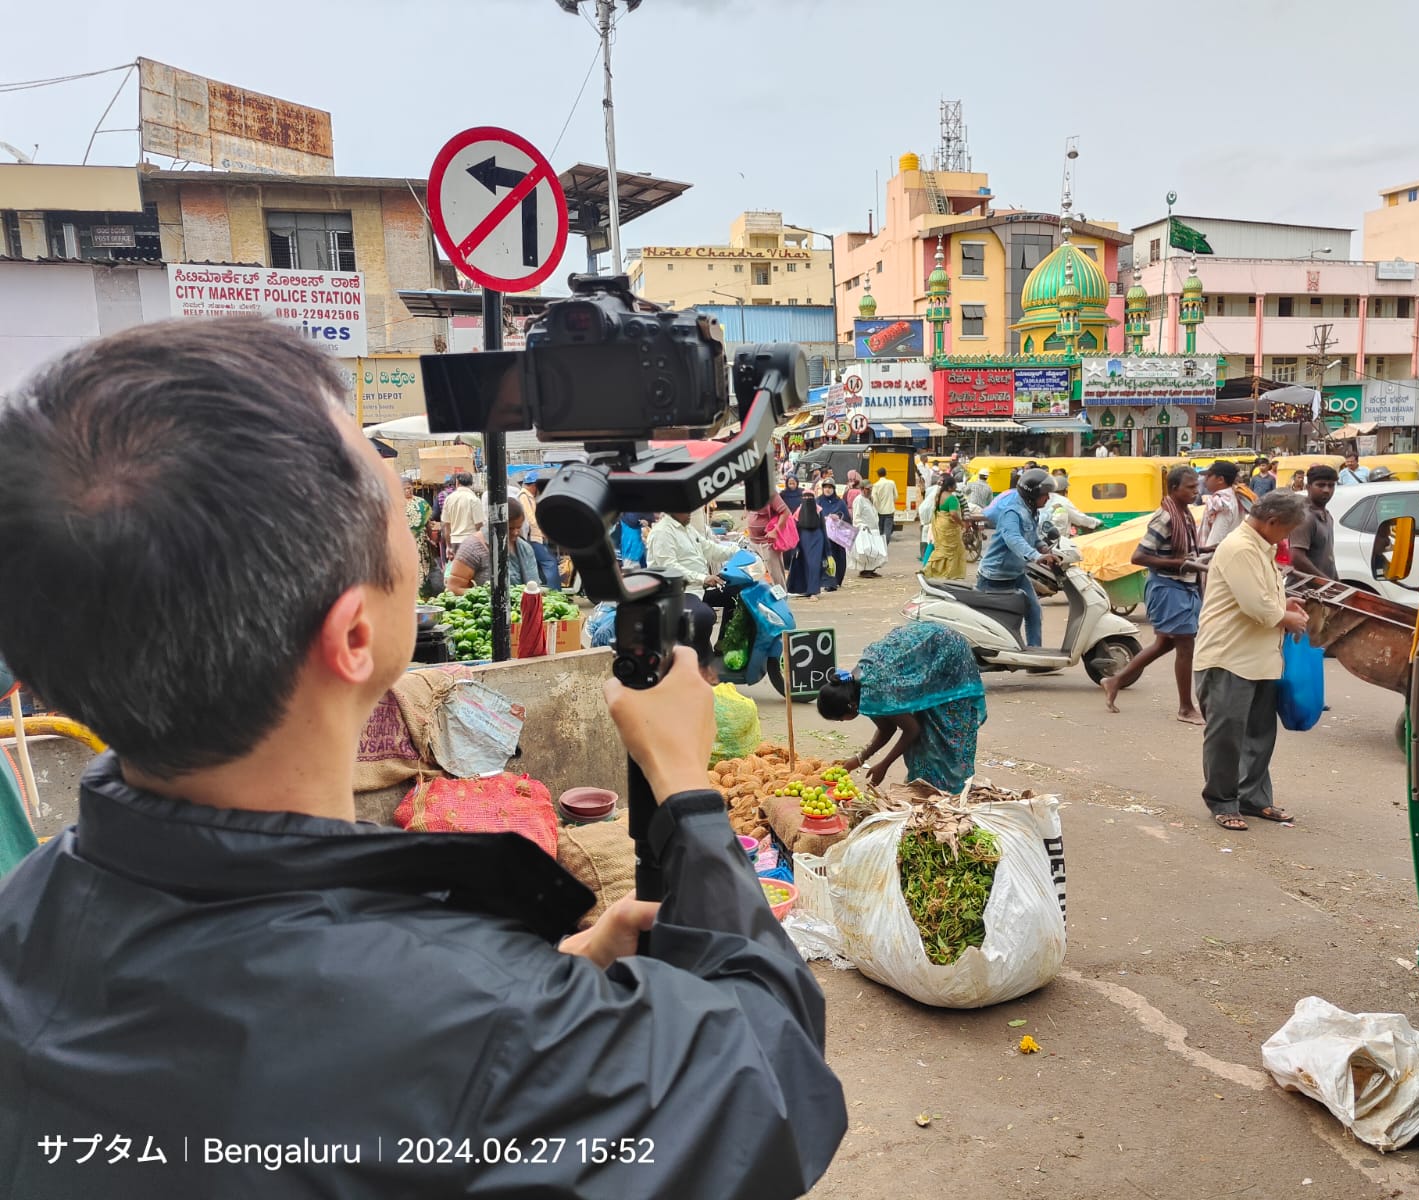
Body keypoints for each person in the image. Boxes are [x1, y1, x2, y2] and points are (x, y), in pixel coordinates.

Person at [0, 317, 845, 1198]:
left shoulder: (31, 909)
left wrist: (550, 981)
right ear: (355, 633)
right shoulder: (487, 1031)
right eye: (393, 496)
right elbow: (769, 1080)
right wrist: (686, 792)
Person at [1194, 490, 1311, 831]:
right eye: (1286, 530)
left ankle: (1254, 798)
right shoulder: (1240, 548)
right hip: (1228, 658)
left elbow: (1265, 598)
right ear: (1272, 521)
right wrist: (1287, 619)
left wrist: (1285, 604)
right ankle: (1223, 801)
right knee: (1226, 736)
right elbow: (1258, 608)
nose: (1287, 537)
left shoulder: (1262, 548)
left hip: (1259, 659)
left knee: (1259, 734)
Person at [818, 624, 987, 792]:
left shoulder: (876, 687)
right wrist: (859, 759)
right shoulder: (856, 688)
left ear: (851, 706)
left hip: (947, 652)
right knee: (921, 743)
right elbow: (887, 728)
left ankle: (952, 791)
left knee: (941, 735)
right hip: (923, 656)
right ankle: (926, 786)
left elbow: (912, 730)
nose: (842, 722)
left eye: (840, 718)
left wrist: (884, 765)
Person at [1101, 465, 1206, 724]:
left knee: (1166, 643)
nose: (1196, 491)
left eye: (1196, 487)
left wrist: (1207, 550)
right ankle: (1185, 708)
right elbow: (1139, 557)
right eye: (1190, 487)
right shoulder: (1166, 518)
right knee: (1185, 644)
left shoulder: (1184, 514)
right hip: (1169, 587)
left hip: (1182, 586)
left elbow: (1184, 550)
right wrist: (1181, 563)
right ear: (1173, 489)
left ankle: (1115, 680)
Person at [976, 468, 1061, 649]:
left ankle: (1035, 655)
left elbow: (1032, 536)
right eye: (1044, 495)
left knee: (1034, 610)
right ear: (1033, 494)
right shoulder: (1012, 513)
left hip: (1016, 574)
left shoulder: (1031, 511)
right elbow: (1013, 538)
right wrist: (1037, 556)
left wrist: (1043, 548)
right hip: (995, 576)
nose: (1047, 498)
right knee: (995, 621)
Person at [648, 508, 738, 643]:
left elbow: (710, 549)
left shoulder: (688, 529)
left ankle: (723, 644)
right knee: (704, 616)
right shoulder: (663, 532)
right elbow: (670, 568)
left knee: (738, 594)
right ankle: (699, 656)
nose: (689, 511)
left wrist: (736, 551)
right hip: (680, 591)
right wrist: (703, 578)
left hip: (700, 587)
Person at [446, 495, 545, 595]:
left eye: (518, 527)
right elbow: (454, 587)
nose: (515, 532)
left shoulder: (525, 548)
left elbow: (535, 587)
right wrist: (491, 597)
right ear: (495, 525)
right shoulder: (473, 548)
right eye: (510, 528)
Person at [1289, 464, 1339, 579]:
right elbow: (1297, 558)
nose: (1327, 490)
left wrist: (1336, 583)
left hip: (1323, 590)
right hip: (1305, 591)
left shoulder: (1327, 516)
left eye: (1331, 485)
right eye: (1321, 485)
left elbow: (1328, 559)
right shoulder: (1304, 517)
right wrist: (1325, 582)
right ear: (1308, 487)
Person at [923, 473, 968, 581]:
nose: (956, 487)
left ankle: (933, 570)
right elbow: (953, 514)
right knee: (955, 550)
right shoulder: (952, 499)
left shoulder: (939, 494)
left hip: (940, 524)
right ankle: (949, 573)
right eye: (954, 486)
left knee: (941, 549)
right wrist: (961, 524)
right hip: (949, 526)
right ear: (949, 487)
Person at [746, 490, 795, 584]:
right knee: (756, 576)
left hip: (767, 543)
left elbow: (785, 512)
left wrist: (775, 531)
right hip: (753, 543)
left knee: (776, 577)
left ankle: (781, 598)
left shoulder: (770, 493)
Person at [787, 487, 827, 600]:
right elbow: (795, 529)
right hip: (803, 540)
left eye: (810, 497)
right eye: (805, 497)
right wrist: (795, 545)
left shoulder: (818, 510)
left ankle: (814, 591)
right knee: (805, 564)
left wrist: (827, 549)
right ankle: (806, 589)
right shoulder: (798, 511)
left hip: (817, 539)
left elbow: (823, 528)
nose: (807, 499)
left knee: (814, 565)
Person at [401, 474, 436, 595]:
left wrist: (431, 538)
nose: (407, 490)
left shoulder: (422, 503)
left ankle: (422, 593)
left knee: (422, 567)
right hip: (402, 543)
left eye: (409, 487)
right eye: (404, 488)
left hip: (420, 543)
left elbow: (427, 524)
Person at [1198, 460, 1245, 548]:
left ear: (1220, 480)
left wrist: (1204, 557)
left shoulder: (1222, 503)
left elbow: (1215, 540)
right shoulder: (1234, 496)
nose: (1205, 480)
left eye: (1208, 476)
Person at [815, 480, 851, 592]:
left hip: (837, 538)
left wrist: (838, 518)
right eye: (825, 487)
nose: (828, 489)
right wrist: (823, 518)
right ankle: (828, 582)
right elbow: (813, 516)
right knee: (825, 559)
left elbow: (847, 519)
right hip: (824, 536)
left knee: (838, 558)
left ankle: (836, 580)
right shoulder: (818, 501)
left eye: (830, 487)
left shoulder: (840, 502)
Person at [439, 471, 482, 558]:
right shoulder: (474, 499)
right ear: (471, 483)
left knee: (458, 570)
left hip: (455, 541)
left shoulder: (449, 499)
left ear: (457, 482)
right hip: (471, 542)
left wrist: (448, 546)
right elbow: (479, 525)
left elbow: (446, 525)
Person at [848, 482, 888, 577]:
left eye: (871, 488)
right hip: (865, 530)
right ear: (862, 489)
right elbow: (856, 517)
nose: (870, 490)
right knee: (866, 552)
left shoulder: (870, 499)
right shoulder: (859, 500)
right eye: (867, 488)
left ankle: (871, 570)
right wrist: (862, 526)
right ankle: (864, 571)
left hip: (874, 530)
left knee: (875, 551)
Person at [871, 467, 898, 541]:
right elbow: (896, 496)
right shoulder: (891, 483)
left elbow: (874, 500)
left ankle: (881, 547)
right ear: (886, 473)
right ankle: (885, 545)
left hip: (879, 512)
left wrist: (876, 508)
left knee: (880, 531)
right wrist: (891, 502)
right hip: (890, 511)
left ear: (878, 475)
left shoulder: (876, 485)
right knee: (887, 530)